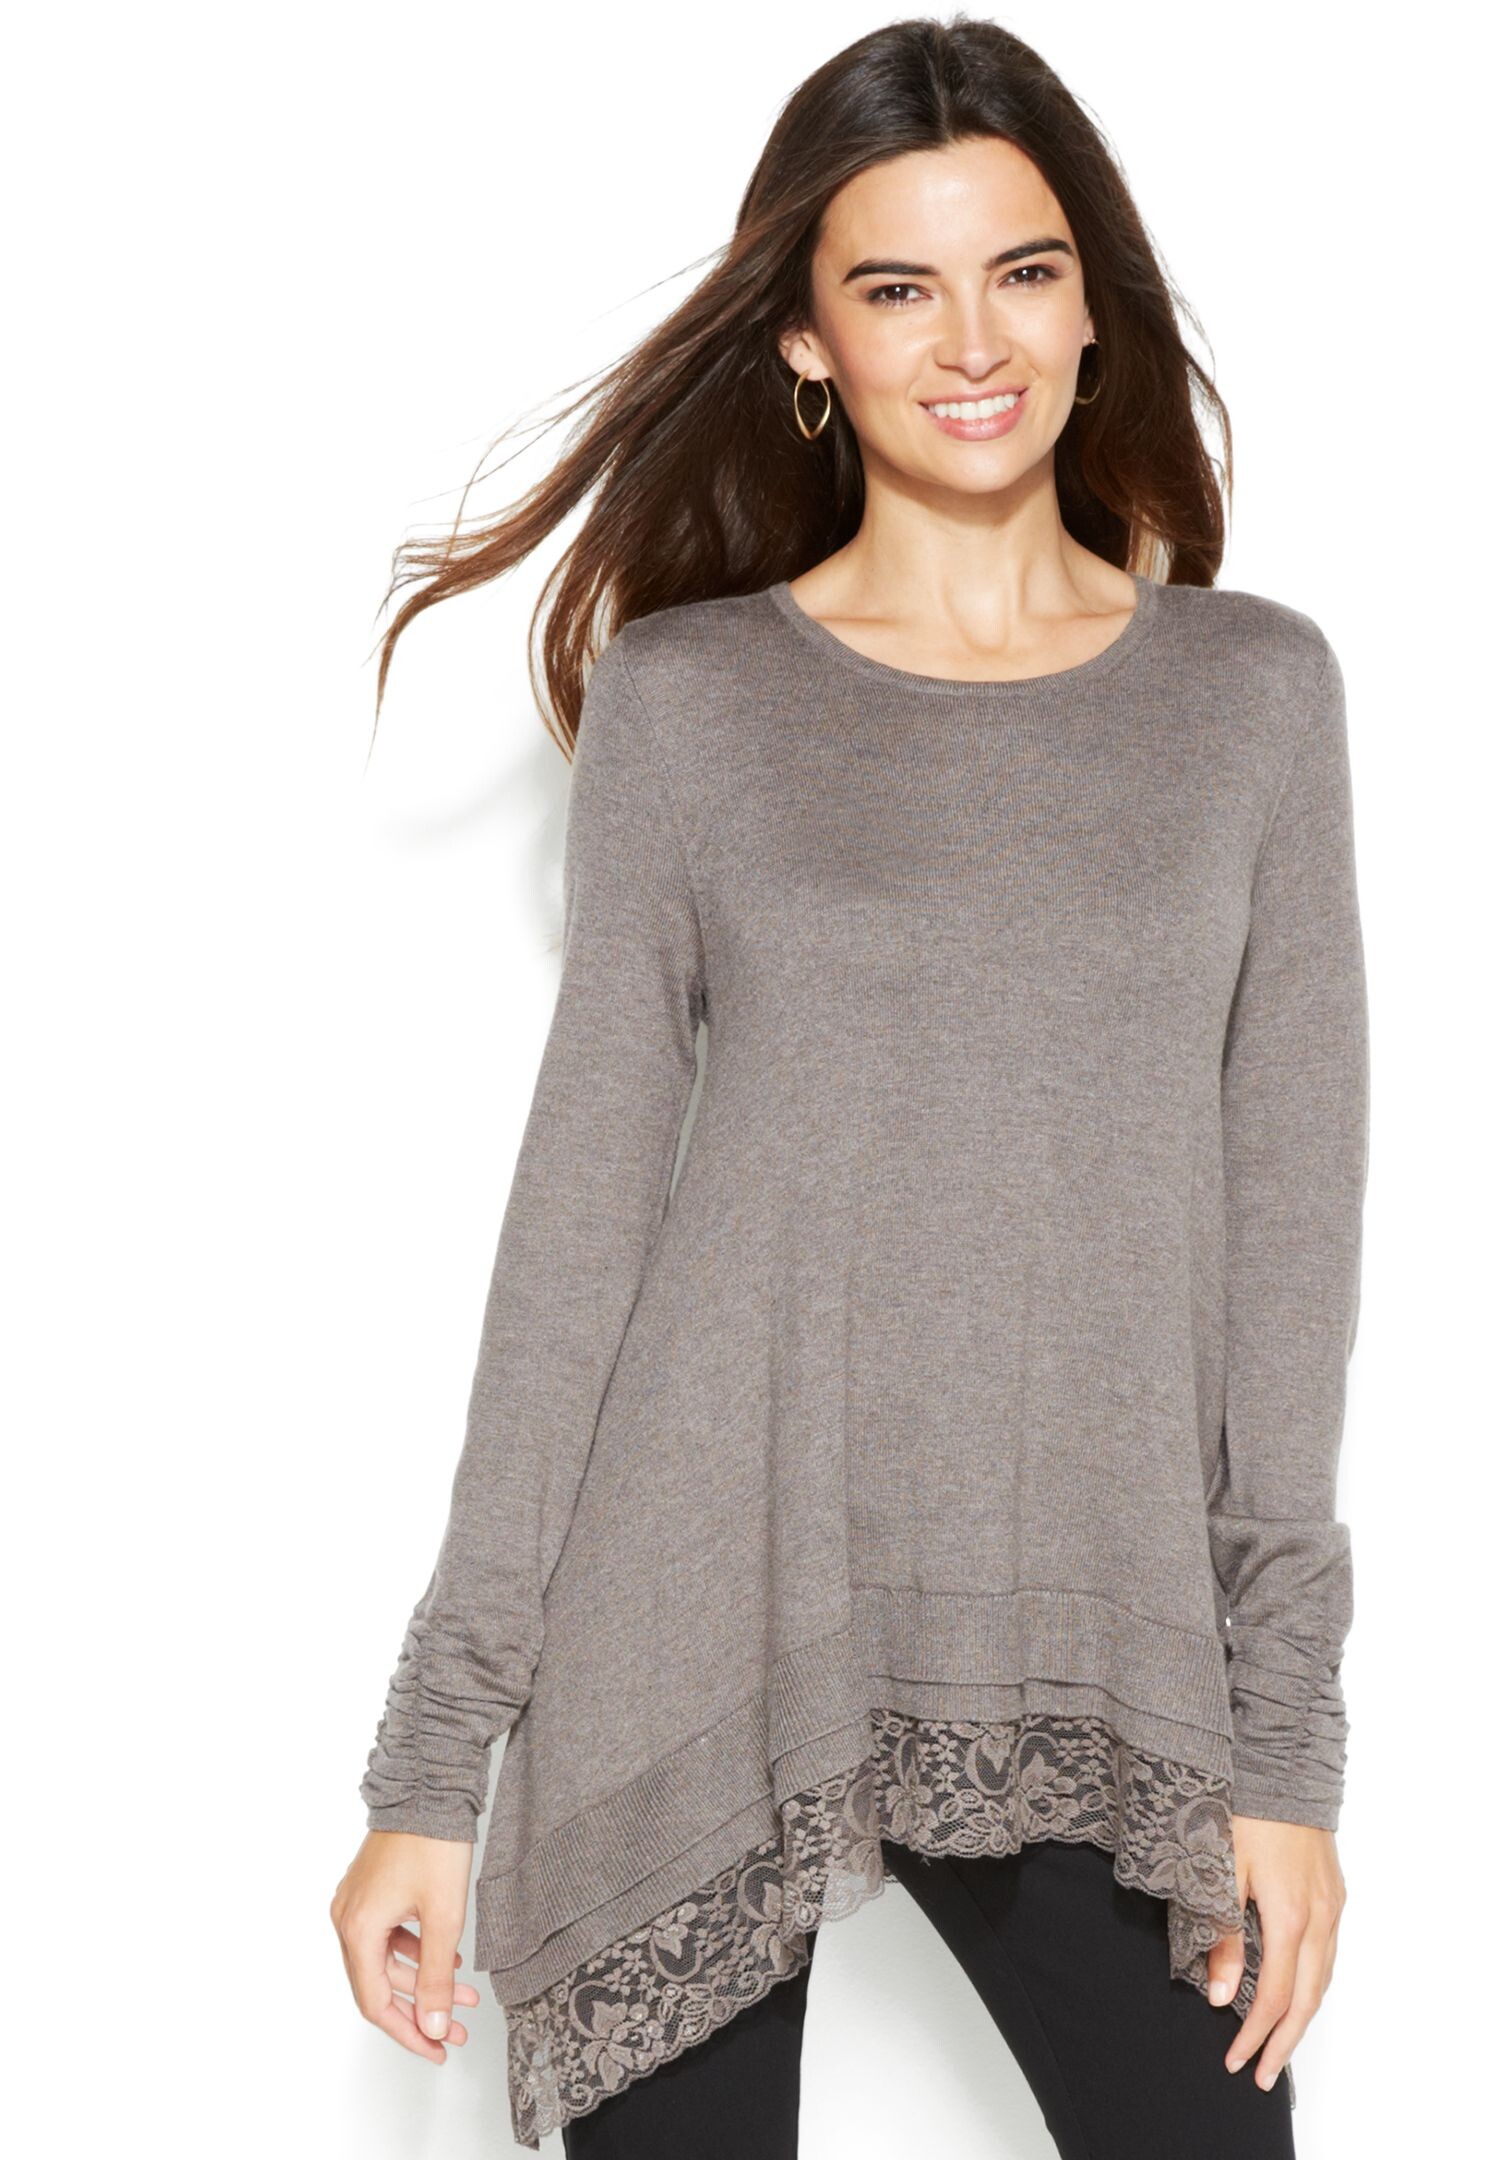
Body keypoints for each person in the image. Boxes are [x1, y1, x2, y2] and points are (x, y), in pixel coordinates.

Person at [330, 17, 1368, 2157]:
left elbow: (1291, 1232)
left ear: (1093, 304)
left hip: (1091, 1635)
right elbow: (584, 1219)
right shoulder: (690, 703)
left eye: (1021, 271)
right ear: (808, 342)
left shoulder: (1250, 700)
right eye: (897, 287)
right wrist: (435, 1766)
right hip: (698, 1621)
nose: (969, 342)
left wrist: (1284, 1751)